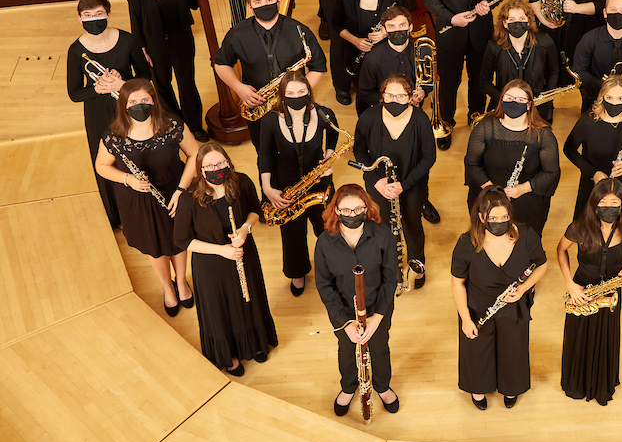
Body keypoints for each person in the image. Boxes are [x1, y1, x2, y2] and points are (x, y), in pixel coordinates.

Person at [95, 79, 200, 316]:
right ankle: (168, 289)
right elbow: (101, 166)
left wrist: (181, 190)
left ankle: (181, 283)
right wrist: (128, 180)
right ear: (123, 105)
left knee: (178, 240)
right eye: (132, 101)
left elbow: (195, 155)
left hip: (173, 192)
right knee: (155, 248)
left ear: (154, 101)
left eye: (144, 100)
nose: (139, 105)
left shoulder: (172, 125)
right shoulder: (114, 134)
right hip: (137, 199)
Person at [174, 142, 276, 375]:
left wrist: (244, 229)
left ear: (228, 162)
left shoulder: (241, 182)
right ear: (200, 169)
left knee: (249, 301)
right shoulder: (189, 198)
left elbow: (254, 210)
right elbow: (182, 241)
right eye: (209, 165)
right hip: (211, 265)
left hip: (243, 253)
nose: (216, 168)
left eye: (220, 163)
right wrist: (222, 250)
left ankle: (255, 344)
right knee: (221, 309)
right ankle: (228, 356)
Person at [451, 188, 549, 410]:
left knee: (512, 350)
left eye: (504, 217)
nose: (499, 222)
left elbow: (542, 264)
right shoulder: (467, 243)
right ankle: (478, 389)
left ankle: (510, 387)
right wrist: (466, 319)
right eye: (493, 218)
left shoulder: (525, 235)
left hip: (513, 306)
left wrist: (523, 289)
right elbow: (457, 283)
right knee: (477, 350)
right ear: (481, 217)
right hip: (477, 308)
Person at [421, 0, 506, 148]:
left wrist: (488, 3)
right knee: (449, 82)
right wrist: (451, 17)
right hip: (450, 30)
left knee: (479, 80)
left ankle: (476, 116)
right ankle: (445, 123)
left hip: (480, 30)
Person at [315, 184, 400, 415]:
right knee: (346, 347)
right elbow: (324, 284)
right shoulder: (324, 242)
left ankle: (382, 386)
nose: (352, 215)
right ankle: (349, 386)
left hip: (377, 307)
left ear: (366, 207)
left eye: (358, 209)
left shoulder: (383, 236)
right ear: (336, 211)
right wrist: (344, 322)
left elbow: (390, 280)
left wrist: (376, 318)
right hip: (342, 310)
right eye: (345, 210)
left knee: (379, 346)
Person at [214, 0, 327, 151]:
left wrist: (297, 93)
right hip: (258, 104)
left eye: (269, 0)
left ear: (279, 2)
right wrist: (238, 87)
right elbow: (221, 64)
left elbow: (319, 67)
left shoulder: (299, 30)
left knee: (302, 148)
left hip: (296, 103)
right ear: (250, 8)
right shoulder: (237, 34)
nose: (264, 5)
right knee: (264, 150)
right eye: (257, 2)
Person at [558, 179, 622, 405]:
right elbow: (561, 249)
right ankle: (576, 383)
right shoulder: (580, 226)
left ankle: (601, 384)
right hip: (583, 286)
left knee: (607, 335)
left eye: (614, 202)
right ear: (594, 203)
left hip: (611, 289)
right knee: (579, 337)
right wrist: (570, 284)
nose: (608, 207)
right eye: (603, 202)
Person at [68, 0, 151, 228]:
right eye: (88, 16)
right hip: (97, 114)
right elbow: (74, 93)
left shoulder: (127, 40)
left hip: (131, 108)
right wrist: (97, 87)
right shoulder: (75, 50)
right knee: (107, 161)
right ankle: (118, 217)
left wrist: (122, 84)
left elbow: (146, 77)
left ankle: (146, 206)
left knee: (139, 155)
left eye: (99, 14)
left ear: (108, 14)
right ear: (79, 18)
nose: (93, 19)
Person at [258, 72, 341, 296]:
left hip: (318, 183)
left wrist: (329, 156)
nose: (297, 97)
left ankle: (332, 269)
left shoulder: (324, 114)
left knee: (327, 229)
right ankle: (297, 271)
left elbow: (333, 136)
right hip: (286, 185)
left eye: (302, 92)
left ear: (309, 92)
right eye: (291, 93)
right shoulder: (270, 120)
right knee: (292, 234)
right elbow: (264, 155)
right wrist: (267, 188)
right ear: (282, 96)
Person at [353, 74, 437, 287]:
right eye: (389, 95)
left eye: (400, 96)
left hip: (411, 185)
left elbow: (429, 157)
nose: (394, 100)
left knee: (412, 225)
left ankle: (416, 267)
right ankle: (386, 266)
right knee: (380, 227)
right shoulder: (369, 117)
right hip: (378, 185)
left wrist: (404, 184)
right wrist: (376, 181)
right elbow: (360, 152)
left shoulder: (420, 119)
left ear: (411, 97)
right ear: (382, 96)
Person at [127, 0, 207, 140]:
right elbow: (134, 18)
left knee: (187, 82)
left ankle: (195, 126)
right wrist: (141, 48)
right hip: (154, 42)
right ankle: (176, 124)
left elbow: (194, 4)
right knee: (162, 85)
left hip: (181, 37)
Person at [464, 79, 561, 237]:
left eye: (520, 99)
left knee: (524, 240)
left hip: (526, 197)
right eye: (508, 98)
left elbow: (551, 173)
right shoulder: (486, 127)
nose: (513, 102)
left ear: (529, 104)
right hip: (488, 193)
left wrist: (522, 188)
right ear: (501, 100)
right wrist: (492, 190)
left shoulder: (543, 135)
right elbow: (472, 164)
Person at [564, 74, 622, 218]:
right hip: (593, 180)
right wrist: (594, 173)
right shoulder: (588, 120)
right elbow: (569, 149)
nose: (614, 103)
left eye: (620, 98)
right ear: (602, 97)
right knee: (589, 227)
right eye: (609, 98)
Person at [331, 0, 403, 106]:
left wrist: (385, 32)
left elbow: (404, 22)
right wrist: (355, 41)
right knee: (365, 96)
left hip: (388, 53)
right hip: (356, 52)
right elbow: (336, 24)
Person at [481, 0, 559, 121]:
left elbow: (554, 70)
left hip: (537, 104)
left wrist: (547, 98)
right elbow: (484, 81)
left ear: (528, 21)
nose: (517, 23)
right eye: (512, 20)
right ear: (505, 23)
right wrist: (503, 99)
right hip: (504, 106)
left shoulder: (544, 41)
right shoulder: (494, 46)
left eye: (522, 19)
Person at [356, 6, 420, 115]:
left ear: (410, 27)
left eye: (402, 25)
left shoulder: (423, 51)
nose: (397, 30)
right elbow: (365, 93)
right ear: (385, 30)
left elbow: (429, 81)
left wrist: (423, 92)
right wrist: (397, 100)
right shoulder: (372, 59)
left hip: (414, 107)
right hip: (382, 110)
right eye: (391, 27)